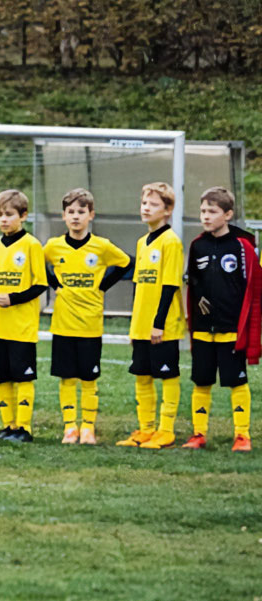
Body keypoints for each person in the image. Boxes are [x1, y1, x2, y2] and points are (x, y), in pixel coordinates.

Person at [42, 188, 131, 445]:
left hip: (91, 324)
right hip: (63, 323)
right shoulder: (54, 246)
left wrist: (102, 286)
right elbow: (37, 265)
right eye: (70, 212)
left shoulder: (101, 246)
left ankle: (88, 428)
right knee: (67, 378)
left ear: (91, 215)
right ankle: (70, 427)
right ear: (63, 216)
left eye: (81, 211)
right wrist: (55, 285)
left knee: (89, 378)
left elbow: (126, 263)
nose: (75, 216)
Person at [182, 187, 259, 453]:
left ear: (227, 214)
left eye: (212, 211)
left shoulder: (242, 247)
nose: (205, 216)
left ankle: (242, 435)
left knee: (237, 382)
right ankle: (198, 434)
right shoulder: (197, 245)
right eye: (203, 211)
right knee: (201, 381)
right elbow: (192, 285)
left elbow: (252, 288)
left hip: (231, 330)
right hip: (203, 329)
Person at [117, 182, 186, 449]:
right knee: (142, 375)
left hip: (163, 325)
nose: (146, 208)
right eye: (144, 203)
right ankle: (145, 429)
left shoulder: (171, 241)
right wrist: (136, 325)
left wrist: (158, 324)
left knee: (167, 376)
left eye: (154, 204)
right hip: (142, 325)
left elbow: (170, 286)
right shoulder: (141, 242)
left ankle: (166, 430)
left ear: (167, 210)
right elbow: (138, 285)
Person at [0, 190, 47, 442]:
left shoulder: (31, 245)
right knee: (1, 377)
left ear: (23, 216)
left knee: (22, 376)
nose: (3, 220)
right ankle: (8, 426)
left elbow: (41, 285)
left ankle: (24, 429)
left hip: (21, 326)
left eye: (9, 214)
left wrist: (13, 299)